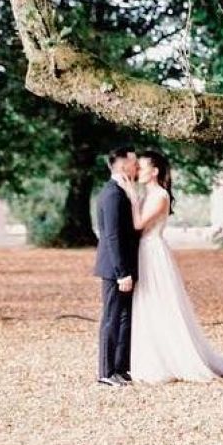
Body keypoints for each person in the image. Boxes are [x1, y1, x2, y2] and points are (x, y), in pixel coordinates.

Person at [116, 149, 223, 384]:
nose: (138, 171)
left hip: (153, 253)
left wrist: (131, 195)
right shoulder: (149, 194)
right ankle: (151, 357)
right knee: (147, 304)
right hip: (145, 252)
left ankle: (171, 359)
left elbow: (138, 224)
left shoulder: (159, 196)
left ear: (155, 171)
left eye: (142, 167)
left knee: (159, 302)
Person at [93, 146, 140, 386]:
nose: (137, 166)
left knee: (124, 318)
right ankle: (105, 371)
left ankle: (121, 368)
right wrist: (122, 273)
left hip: (125, 267)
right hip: (114, 269)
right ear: (122, 165)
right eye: (133, 162)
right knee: (111, 318)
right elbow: (111, 236)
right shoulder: (112, 194)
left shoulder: (122, 191)